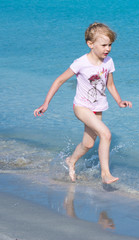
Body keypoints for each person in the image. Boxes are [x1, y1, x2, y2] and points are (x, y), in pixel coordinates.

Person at [34, 22, 132, 184]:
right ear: (90, 44)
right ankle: (105, 174)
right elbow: (59, 80)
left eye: (110, 45)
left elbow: (110, 85)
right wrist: (46, 103)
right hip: (81, 107)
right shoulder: (80, 63)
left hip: (98, 107)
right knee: (106, 134)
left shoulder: (108, 61)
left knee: (88, 144)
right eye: (104, 45)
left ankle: (70, 161)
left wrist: (119, 101)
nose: (107, 48)